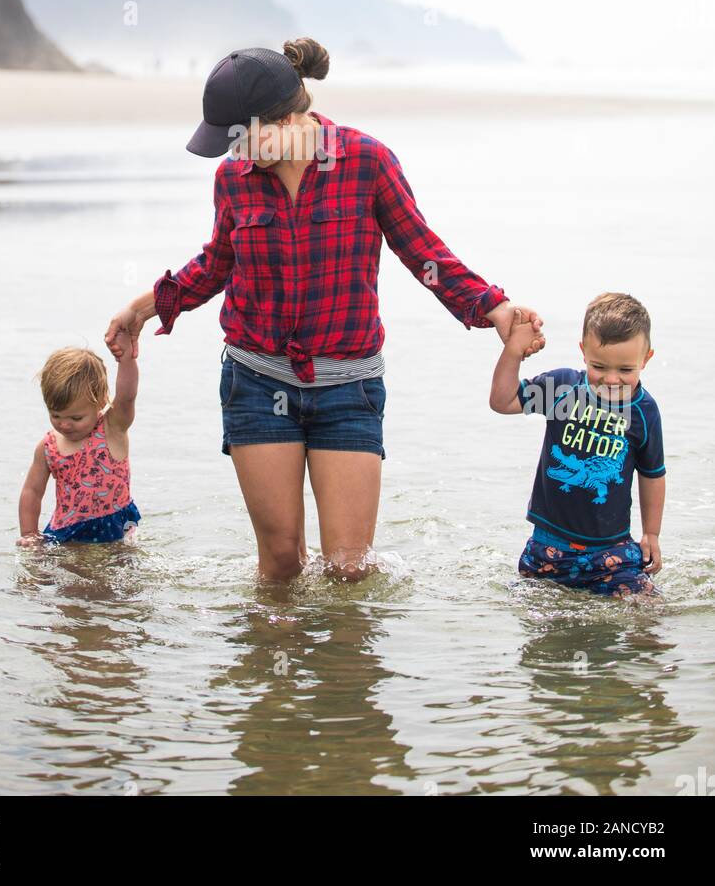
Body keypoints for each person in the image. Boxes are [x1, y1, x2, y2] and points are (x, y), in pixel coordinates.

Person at [106, 37, 545, 582]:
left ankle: (341, 666)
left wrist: (494, 308)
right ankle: (271, 664)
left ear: (287, 118)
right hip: (256, 382)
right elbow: (216, 265)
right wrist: (142, 309)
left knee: (348, 571)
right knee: (282, 566)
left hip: (348, 388)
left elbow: (423, 251)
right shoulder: (233, 182)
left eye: (240, 139)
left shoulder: (367, 161)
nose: (234, 154)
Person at [490, 291, 665, 597]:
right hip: (548, 546)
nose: (612, 380)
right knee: (541, 628)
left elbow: (653, 473)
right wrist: (514, 351)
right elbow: (502, 401)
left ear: (645, 359)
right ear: (583, 352)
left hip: (612, 552)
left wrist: (651, 533)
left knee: (650, 612)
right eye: (600, 367)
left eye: (625, 370)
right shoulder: (562, 389)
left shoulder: (643, 411)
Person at [17, 337, 141, 546]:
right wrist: (29, 533)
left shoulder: (112, 428)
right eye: (56, 415)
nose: (64, 425)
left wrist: (127, 358)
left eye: (76, 418)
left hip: (114, 529)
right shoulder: (48, 447)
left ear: (100, 402)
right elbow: (32, 491)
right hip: (68, 533)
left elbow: (127, 396)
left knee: (119, 573)